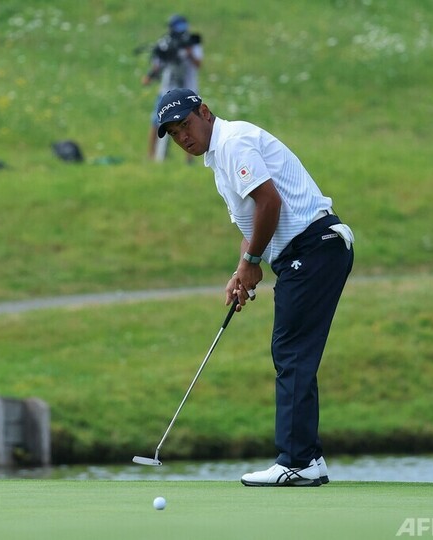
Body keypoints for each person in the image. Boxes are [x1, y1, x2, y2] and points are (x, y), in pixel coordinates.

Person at [155, 88, 355, 487]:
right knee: (293, 352)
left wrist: (251, 263)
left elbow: (270, 204)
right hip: (311, 251)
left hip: (313, 246)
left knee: (291, 351)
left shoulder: (234, 143)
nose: (183, 138)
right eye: (174, 134)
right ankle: (308, 458)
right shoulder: (220, 158)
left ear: (204, 112)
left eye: (185, 126)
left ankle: (296, 460)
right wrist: (241, 270)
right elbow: (252, 222)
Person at [141, 15, 203, 162]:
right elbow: (158, 64)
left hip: (189, 89)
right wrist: (150, 76)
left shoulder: (191, 42)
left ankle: (190, 157)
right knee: (157, 121)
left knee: (190, 121)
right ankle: (151, 156)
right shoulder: (165, 43)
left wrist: (189, 52)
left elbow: (198, 64)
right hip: (167, 90)